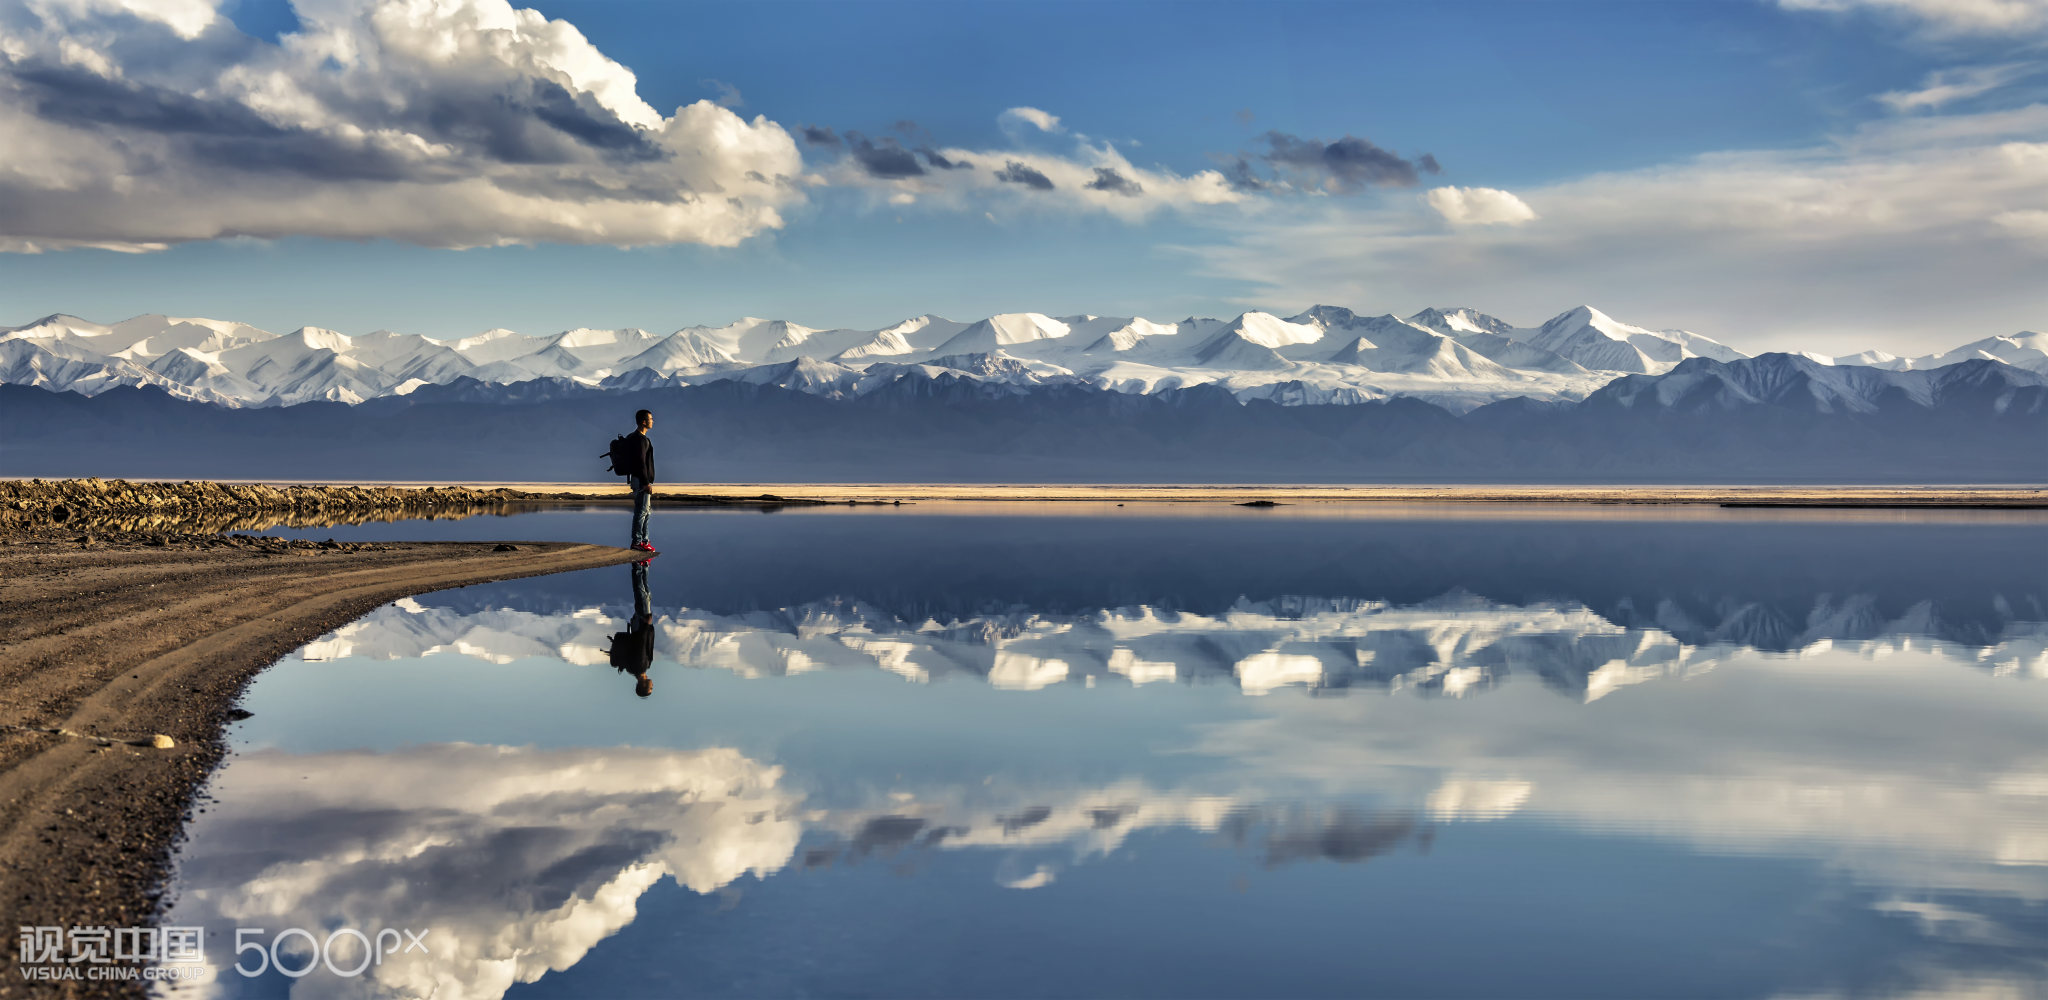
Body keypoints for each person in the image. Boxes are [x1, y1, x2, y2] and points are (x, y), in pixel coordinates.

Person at [626, 409, 657, 554]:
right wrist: (646, 483)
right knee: (641, 512)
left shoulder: (633, 437)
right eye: (650, 419)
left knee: (646, 511)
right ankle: (638, 542)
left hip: (637, 480)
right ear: (643, 421)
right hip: (641, 481)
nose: (653, 421)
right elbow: (641, 463)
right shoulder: (641, 440)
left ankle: (644, 541)